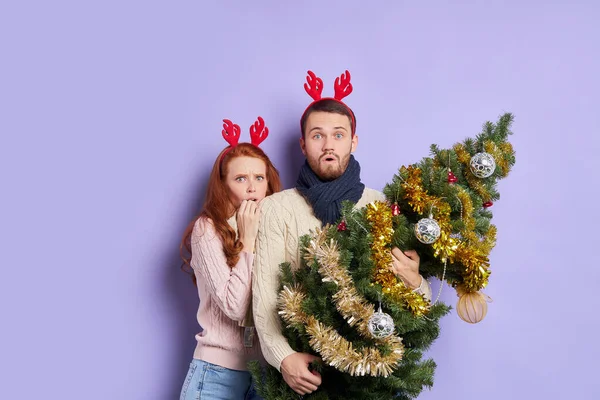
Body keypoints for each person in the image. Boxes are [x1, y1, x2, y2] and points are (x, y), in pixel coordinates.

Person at [252, 71, 432, 396]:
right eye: (318, 135)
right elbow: (265, 299)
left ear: (354, 142)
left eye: (338, 134)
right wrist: (284, 358)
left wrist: (416, 282)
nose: (328, 144)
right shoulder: (277, 208)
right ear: (303, 144)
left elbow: (419, 304)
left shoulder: (380, 204)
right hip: (306, 376)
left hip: (371, 375)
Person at [179, 117, 281, 400]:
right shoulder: (207, 229)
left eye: (259, 178)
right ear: (223, 185)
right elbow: (236, 307)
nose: (252, 187)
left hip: (266, 376)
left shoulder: (275, 230)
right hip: (216, 374)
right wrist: (246, 241)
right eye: (240, 179)